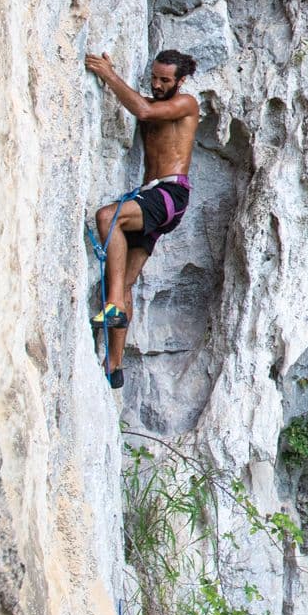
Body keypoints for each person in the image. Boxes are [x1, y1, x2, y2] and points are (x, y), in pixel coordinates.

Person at [84, 49, 200, 390]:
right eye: (155, 78)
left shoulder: (186, 104)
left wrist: (108, 74)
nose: (159, 84)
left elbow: (145, 109)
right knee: (127, 279)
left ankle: (114, 304)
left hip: (169, 194)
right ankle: (114, 366)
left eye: (166, 80)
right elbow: (141, 103)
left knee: (110, 217)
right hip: (154, 198)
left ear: (181, 81)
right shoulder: (152, 100)